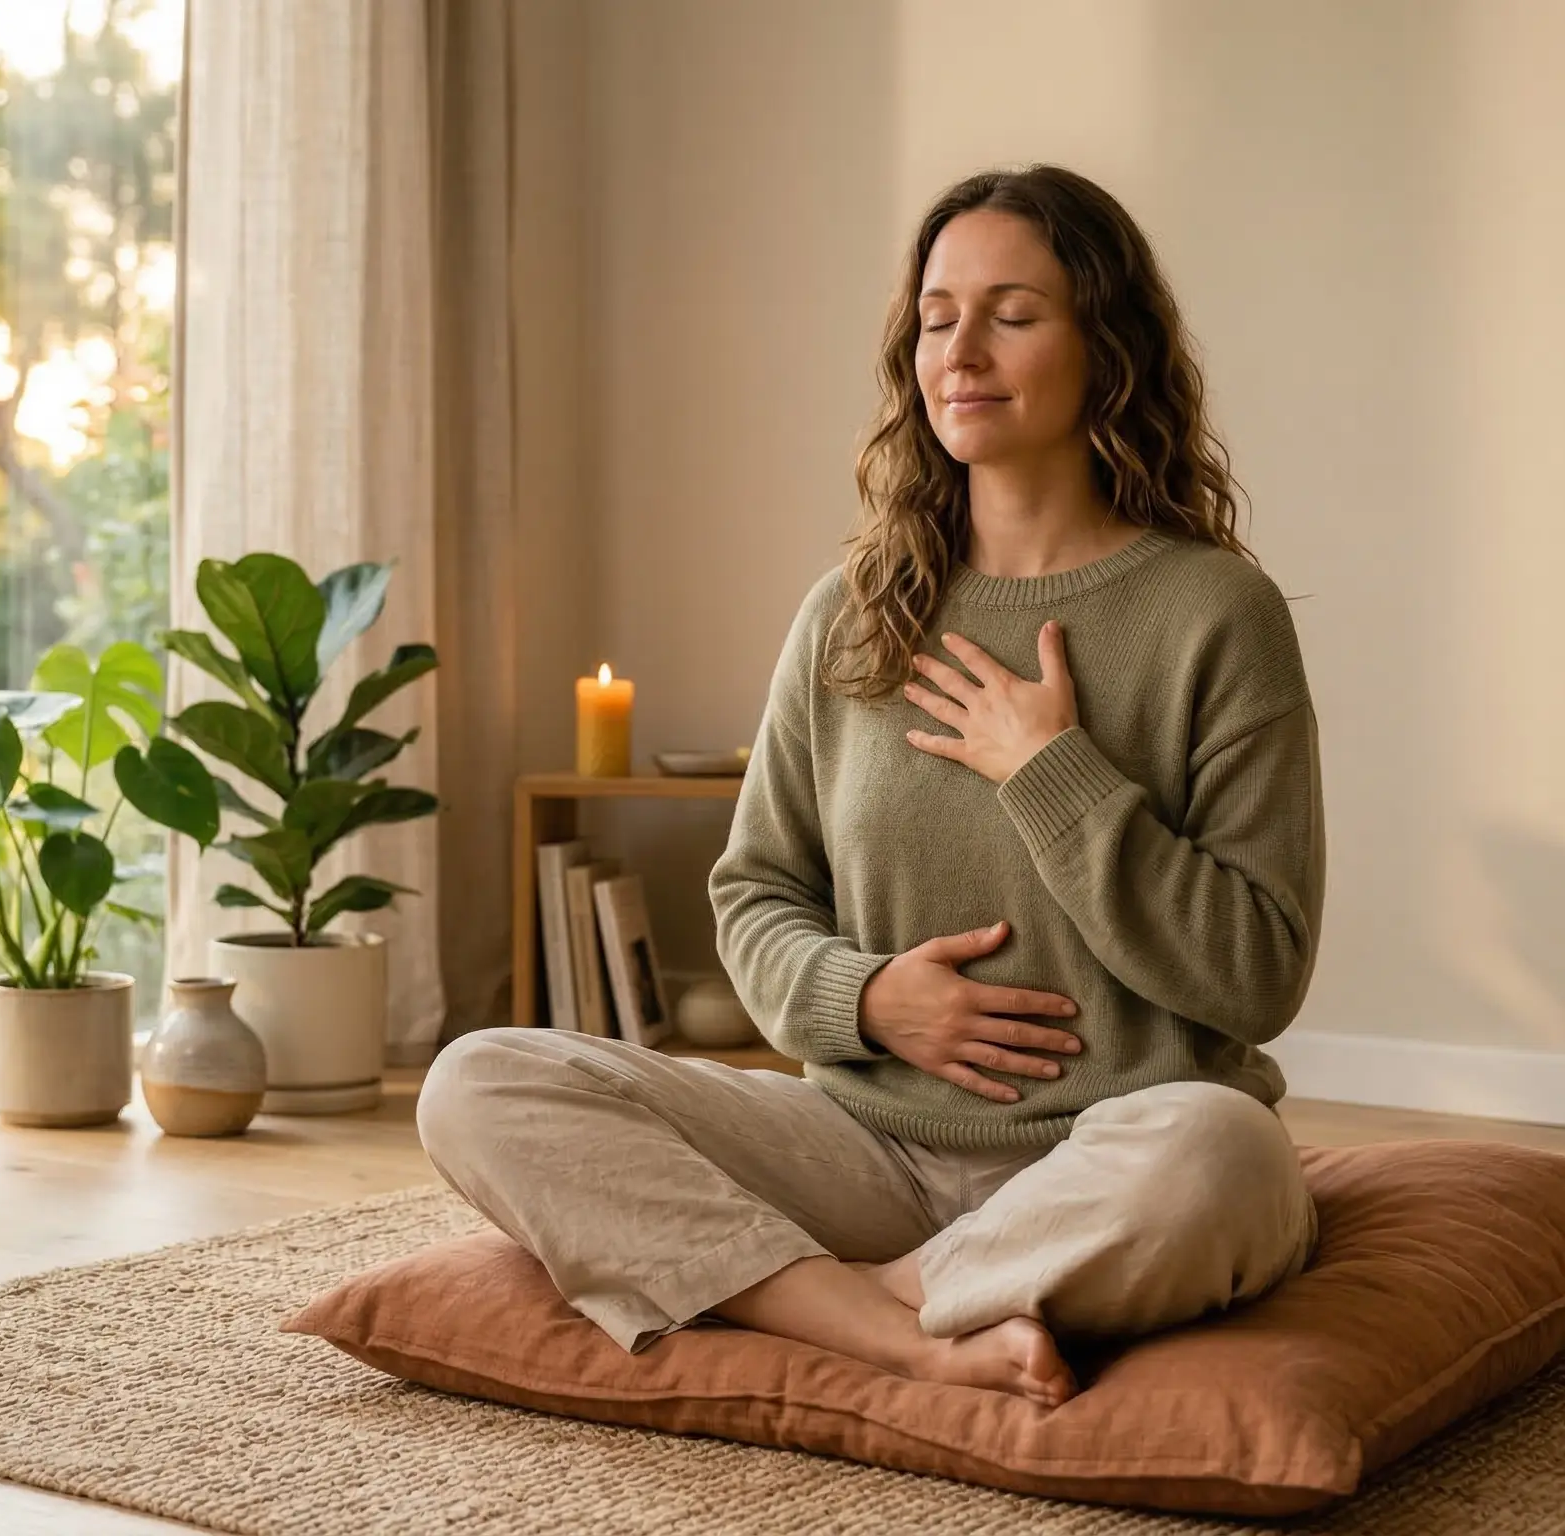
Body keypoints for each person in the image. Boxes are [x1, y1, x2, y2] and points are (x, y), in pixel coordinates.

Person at [418, 164, 1325, 1410]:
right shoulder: (850, 614)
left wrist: (1051, 774)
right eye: (937, 316)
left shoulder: (1213, 613)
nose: (962, 348)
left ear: (1104, 348)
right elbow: (755, 893)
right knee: (479, 1081)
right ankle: (898, 1329)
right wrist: (868, 1000)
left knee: (1227, 1160)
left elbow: (1258, 972)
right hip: (860, 1147)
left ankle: (821, 1300)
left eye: (1013, 313)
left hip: (1111, 1148)